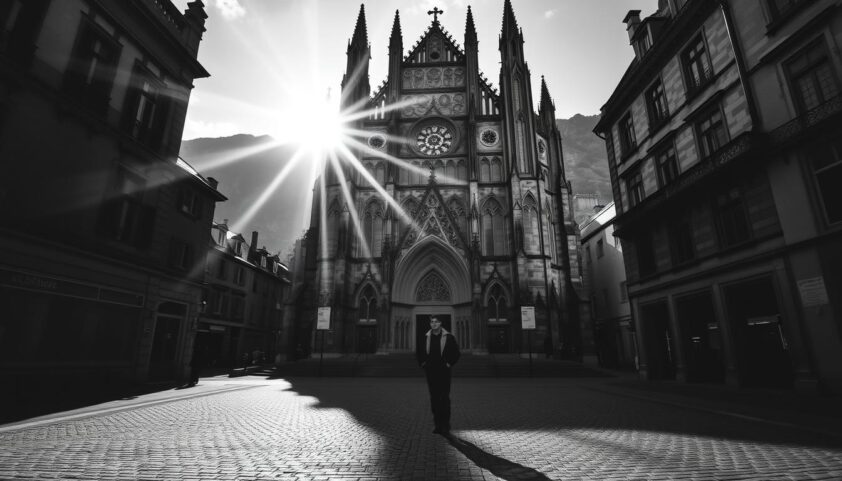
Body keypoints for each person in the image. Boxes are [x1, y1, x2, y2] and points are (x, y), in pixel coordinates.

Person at [416, 316, 461, 436]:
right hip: (431, 371)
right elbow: (419, 352)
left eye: (436, 322)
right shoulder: (425, 337)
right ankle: (437, 425)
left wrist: (448, 363)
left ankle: (445, 425)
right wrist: (423, 363)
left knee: (444, 398)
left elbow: (456, 353)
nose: (434, 324)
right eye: (432, 322)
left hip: (444, 372)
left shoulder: (449, 337)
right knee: (434, 398)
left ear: (440, 323)